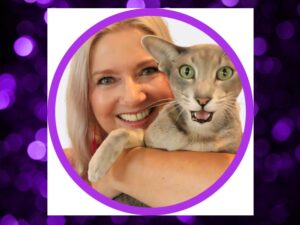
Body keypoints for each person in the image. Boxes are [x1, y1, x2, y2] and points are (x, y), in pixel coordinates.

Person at [64, 16, 235, 207]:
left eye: (148, 71)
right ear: (85, 97)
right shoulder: (58, 171)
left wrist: (118, 170)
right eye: (106, 80)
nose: (132, 98)